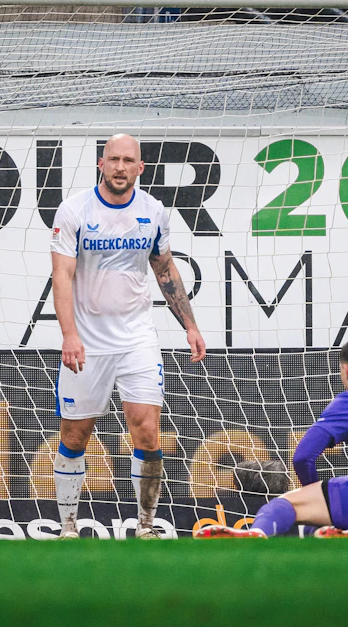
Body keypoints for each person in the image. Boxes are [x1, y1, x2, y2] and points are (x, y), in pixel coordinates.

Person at [49, 133, 207, 539]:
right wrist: (69, 335)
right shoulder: (74, 210)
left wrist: (190, 325)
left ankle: (146, 527)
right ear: (101, 164)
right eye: (113, 159)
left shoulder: (153, 211)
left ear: (140, 167)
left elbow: (164, 269)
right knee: (75, 436)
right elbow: (61, 275)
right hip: (87, 342)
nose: (120, 167)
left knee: (148, 433)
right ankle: (68, 527)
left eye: (128, 161)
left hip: (137, 339)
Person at [196, 336, 348, 539]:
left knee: (284, 506)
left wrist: (313, 496)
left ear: (346, 370)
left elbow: (303, 456)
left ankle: (257, 533)